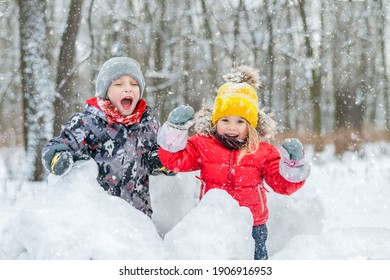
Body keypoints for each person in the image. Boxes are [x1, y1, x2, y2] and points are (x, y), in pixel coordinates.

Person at [157, 65, 311, 259]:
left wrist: (293, 165)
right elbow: (174, 160)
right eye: (225, 120)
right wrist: (175, 131)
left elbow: (284, 185)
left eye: (240, 122)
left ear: (252, 125)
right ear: (215, 121)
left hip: (253, 227)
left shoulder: (262, 151)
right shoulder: (203, 145)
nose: (232, 127)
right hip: (214, 223)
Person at [42, 57, 173, 218]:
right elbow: (56, 145)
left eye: (134, 84)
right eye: (118, 84)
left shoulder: (149, 125)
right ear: (105, 92)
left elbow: (156, 159)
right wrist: (58, 157)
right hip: (99, 219)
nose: (128, 89)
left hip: (138, 218)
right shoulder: (86, 123)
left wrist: (163, 161)